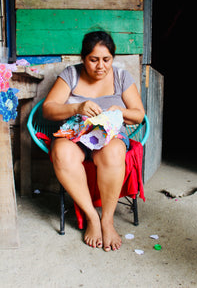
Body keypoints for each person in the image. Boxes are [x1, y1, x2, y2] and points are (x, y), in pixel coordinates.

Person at [43, 31, 145, 252]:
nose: (100, 66)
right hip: (76, 133)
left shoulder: (121, 77)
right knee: (61, 153)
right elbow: (48, 110)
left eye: (106, 59)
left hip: (109, 136)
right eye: (93, 59)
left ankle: (107, 220)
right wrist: (76, 108)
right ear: (83, 58)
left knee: (113, 153)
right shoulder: (71, 74)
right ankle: (91, 216)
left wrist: (121, 110)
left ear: (113, 58)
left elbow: (139, 114)